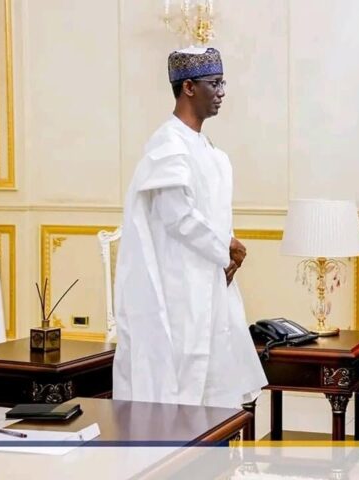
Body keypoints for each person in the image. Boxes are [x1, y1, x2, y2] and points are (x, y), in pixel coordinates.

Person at [113, 47, 267, 407]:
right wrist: (225, 249)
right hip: (178, 284)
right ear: (189, 87)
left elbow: (208, 213)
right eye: (215, 83)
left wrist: (226, 248)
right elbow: (177, 215)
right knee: (182, 380)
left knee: (216, 380)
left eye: (223, 81)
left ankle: (214, 459)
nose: (223, 91)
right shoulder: (167, 143)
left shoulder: (204, 145)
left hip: (209, 277)